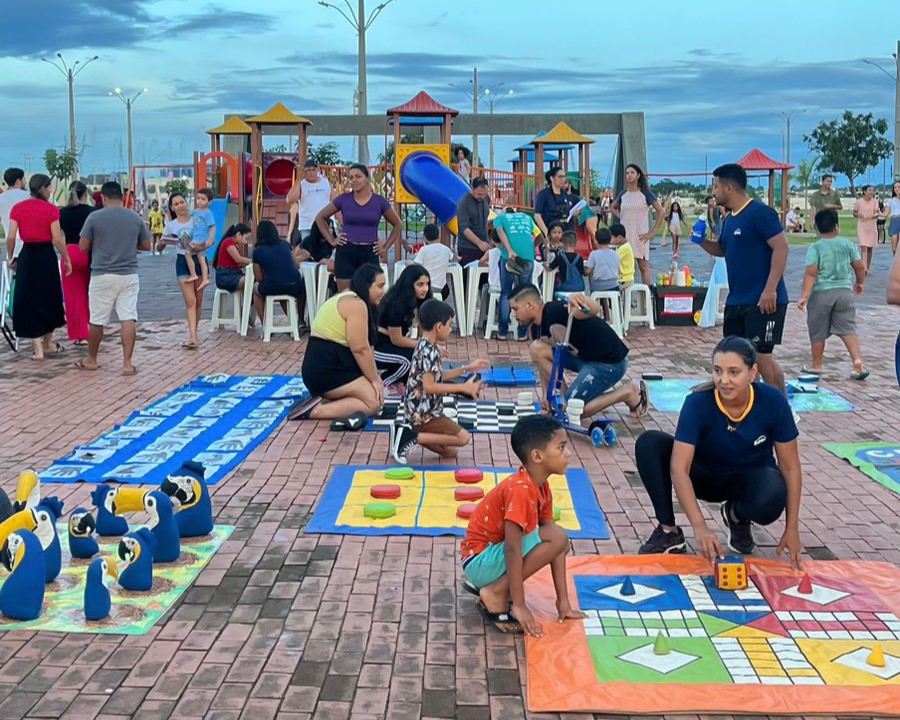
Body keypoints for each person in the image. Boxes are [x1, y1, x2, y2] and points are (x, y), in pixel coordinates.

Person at [634, 337, 802, 566]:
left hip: (748, 480)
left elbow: (790, 467)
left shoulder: (772, 402)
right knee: (649, 443)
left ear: (753, 373)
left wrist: (792, 529)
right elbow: (679, 468)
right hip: (705, 477)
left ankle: (737, 515)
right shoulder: (698, 403)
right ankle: (669, 532)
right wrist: (699, 526)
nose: (724, 380)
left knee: (772, 494)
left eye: (734, 372)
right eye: (717, 371)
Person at [460, 415, 586, 636]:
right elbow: (512, 548)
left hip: (490, 559)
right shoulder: (521, 489)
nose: (568, 454)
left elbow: (557, 545)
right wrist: (519, 605)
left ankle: (498, 589)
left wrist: (563, 603)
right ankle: (496, 592)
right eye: (561, 448)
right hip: (478, 562)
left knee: (559, 540)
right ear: (537, 456)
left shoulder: (542, 487)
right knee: (557, 538)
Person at [697, 163, 789, 396]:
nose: (713, 192)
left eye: (716, 186)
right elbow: (723, 250)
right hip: (737, 300)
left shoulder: (759, 213)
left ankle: (782, 407)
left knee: (761, 357)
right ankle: (748, 404)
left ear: (729, 187)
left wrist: (770, 290)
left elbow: (781, 247)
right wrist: (701, 242)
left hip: (763, 300)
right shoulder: (730, 220)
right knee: (737, 357)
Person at [509, 285, 648, 420]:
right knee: (536, 348)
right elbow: (542, 362)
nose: (513, 315)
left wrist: (580, 298)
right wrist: (546, 394)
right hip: (583, 358)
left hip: (609, 363)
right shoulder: (536, 328)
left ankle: (628, 392)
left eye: (515, 309)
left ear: (529, 305)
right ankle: (562, 396)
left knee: (572, 410)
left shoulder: (557, 311)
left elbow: (594, 309)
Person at [396, 298, 489, 463]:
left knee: (450, 452)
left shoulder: (423, 344)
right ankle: (409, 436)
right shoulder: (431, 352)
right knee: (463, 438)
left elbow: (438, 377)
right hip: (425, 414)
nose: (451, 329)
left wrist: (467, 368)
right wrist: (463, 388)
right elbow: (429, 387)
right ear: (439, 326)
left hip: (416, 411)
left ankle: (408, 434)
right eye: (449, 325)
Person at [76, 181, 151, 375]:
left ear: (103, 197)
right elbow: (145, 245)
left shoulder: (94, 217)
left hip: (102, 274)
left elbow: (83, 246)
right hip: (129, 274)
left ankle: (92, 359)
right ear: (121, 196)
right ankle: (127, 363)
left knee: (97, 319)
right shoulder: (135, 217)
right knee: (128, 317)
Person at [296, 265, 386, 425]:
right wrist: (374, 380)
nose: (383, 291)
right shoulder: (356, 304)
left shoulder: (352, 299)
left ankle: (326, 401)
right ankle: (317, 410)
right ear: (366, 286)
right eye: (379, 286)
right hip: (326, 368)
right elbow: (360, 349)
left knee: (375, 394)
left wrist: (374, 377)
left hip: (331, 364)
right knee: (374, 402)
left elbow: (367, 346)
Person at [796, 209, 868, 380]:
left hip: (822, 293)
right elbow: (859, 267)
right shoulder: (847, 244)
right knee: (848, 327)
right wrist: (859, 283)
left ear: (817, 229)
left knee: (817, 329)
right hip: (844, 292)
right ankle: (857, 361)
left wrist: (804, 296)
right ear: (837, 227)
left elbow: (811, 273)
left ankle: (817, 364)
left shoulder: (816, 247)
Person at [6, 174, 71, 359]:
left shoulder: (18, 208)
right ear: (43, 188)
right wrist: (66, 258)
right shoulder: (51, 210)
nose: (51, 191)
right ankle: (48, 342)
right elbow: (57, 238)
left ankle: (38, 350)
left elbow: (11, 237)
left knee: (28, 299)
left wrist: (11, 256)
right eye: (49, 188)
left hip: (27, 256)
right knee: (49, 297)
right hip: (46, 257)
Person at [315, 164, 401, 292]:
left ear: (367, 178)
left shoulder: (379, 201)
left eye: (358, 176)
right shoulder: (343, 200)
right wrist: (332, 241)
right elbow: (320, 218)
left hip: (369, 252)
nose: (353, 180)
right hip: (346, 252)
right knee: (345, 295)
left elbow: (398, 224)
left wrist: (385, 247)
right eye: (350, 178)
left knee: (370, 295)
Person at [165, 192, 212, 349]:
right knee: (190, 301)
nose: (180, 206)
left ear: (186, 202)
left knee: (198, 301)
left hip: (199, 259)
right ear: (172, 207)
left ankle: (195, 333)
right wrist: (166, 241)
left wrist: (201, 246)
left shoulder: (197, 218)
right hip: (182, 262)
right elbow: (162, 243)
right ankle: (192, 337)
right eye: (176, 204)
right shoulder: (171, 225)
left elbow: (209, 237)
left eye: (182, 202)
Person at [375, 263, 432, 387]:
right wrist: (422, 345)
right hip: (378, 346)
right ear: (409, 285)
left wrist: (426, 346)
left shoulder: (421, 302)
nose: (425, 289)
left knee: (421, 357)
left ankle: (402, 382)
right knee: (408, 360)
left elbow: (424, 333)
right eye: (420, 285)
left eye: (427, 284)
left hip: (392, 344)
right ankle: (383, 383)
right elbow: (397, 340)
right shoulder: (395, 304)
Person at [608, 163, 664, 285]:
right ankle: (625, 296)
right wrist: (621, 216)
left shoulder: (645, 194)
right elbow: (612, 208)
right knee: (625, 266)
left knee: (643, 266)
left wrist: (652, 233)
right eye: (627, 173)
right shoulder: (623, 194)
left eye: (632, 172)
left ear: (638, 175)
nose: (629, 175)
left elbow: (661, 212)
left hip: (640, 235)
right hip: (626, 235)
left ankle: (647, 296)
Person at [252, 220, 307, 326]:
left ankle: (266, 325)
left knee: (256, 290)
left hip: (273, 286)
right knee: (299, 287)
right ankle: (300, 320)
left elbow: (259, 278)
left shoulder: (257, 251)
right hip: (294, 285)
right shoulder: (285, 244)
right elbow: (297, 265)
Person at [59, 181, 94, 344]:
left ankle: (80, 335)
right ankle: (93, 327)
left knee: (74, 297)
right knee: (91, 294)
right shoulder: (91, 212)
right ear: (85, 195)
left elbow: (57, 236)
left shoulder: (62, 213)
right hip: (89, 252)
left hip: (69, 253)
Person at [494, 207, 537, 340]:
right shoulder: (527, 218)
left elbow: (500, 231)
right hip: (528, 258)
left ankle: (502, 332)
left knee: (506, 292)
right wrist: (530, 248)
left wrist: (510, 250)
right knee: (525, 293)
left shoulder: (499, 218)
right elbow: (540, 235)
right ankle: (522, 334)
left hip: (509, 258)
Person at [287, 159, 334, 246]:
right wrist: (299, 179)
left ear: (318, 170)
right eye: (309, 170)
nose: (311, 172)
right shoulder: (301, 184)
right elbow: (291, 199)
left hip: (326, 225)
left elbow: (335, 203)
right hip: (307, 225)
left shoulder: (326, 182)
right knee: (307, 251)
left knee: (327, 250)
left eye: (314, 170)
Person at [584, 227, 620, 317]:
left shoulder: (594, 254)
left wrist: (584, 268)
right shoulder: (615, 253)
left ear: (596, 240)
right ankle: (610, 316)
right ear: (610, 239)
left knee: (594, 283)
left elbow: (587, 271)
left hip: (598, 286)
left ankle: (599, 316)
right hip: (614, 285)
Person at [183, 188, 214, 289]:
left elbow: (212, 227)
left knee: (188, 252)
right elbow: (188, 217)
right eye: (198, 198)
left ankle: (193, 274)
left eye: (203, 199)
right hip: (196, 237)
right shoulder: (195, 212)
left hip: (201, 238)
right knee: (201, 258)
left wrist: (211, 238)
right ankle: (204, 279)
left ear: (209, 202)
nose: (199, 201)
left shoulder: (208, 213)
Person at [455, 177, 491, 266]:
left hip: (484, 244)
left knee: (484, 277)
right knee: (469, 277)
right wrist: (479, 243)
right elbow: (464, 229)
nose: (482, 197)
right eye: (479, 194)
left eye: (484, 194)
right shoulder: (463, 203)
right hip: (468, 247)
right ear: (472, 188)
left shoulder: (486, 198)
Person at [414, 223, 453, 300]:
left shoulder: (424, 249)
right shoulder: (446, 249)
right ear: (439, 236)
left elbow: (416, 266)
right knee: (446, 289)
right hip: (442, 289)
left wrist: (408, 263)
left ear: (425, 238)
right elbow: (453, 258)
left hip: (425, 288)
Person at [533, 167, 574, 240]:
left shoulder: (565, 194)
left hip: (565, 233)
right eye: (560, 176)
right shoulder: (544, 194)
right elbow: (537, 215)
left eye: (564, 176)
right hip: (550, 231)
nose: (563, 179)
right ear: (552, 178)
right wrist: (546, 232)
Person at [212, 223, 252, 293]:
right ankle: (247, 303)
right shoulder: (229, 242)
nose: (246, 242)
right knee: (249, 281)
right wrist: (253, 261)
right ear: (239, 234)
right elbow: (238, 259)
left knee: (251, 280)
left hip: (233, 274)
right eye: (246, 238)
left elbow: (235, 263)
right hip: (226, 277)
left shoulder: (235, 245)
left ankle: (246, 302)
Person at [0, 168, 29, 264]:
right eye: (23, 179)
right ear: (18, 181)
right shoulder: (29, 196)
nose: (25, 182)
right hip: (28, 247)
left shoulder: (1, 198)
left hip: (11, 248)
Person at [852, 184, 881, 275]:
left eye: (872, 190)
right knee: (863, 246)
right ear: (864, 191)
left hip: (871, 226)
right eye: (869, 190)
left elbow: (877, 212)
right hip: (862, 226)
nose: (871, 192)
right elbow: (854, 212)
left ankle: (868, 267)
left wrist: (873, 216)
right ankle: (863, 268)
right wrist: (859, 215)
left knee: (870, 248)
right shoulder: (859, 202)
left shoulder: (875, 201)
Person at [609, 223, 635, 290]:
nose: (610, 240)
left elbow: (612, 258)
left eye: (611, 237)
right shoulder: (622, 246)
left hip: (625, 279)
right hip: (623, 278)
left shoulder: (624, 248)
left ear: (619, 237)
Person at [889, 181, 900, 255]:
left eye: (899, 187)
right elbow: (885, 213)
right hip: (894, 221)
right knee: (894, 249)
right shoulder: (891, 201)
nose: (897, 189)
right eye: (895, 187)